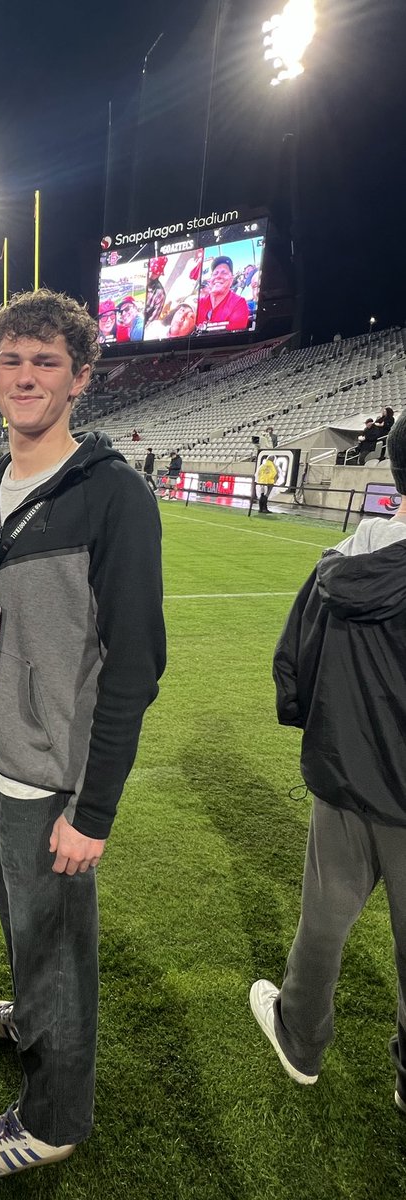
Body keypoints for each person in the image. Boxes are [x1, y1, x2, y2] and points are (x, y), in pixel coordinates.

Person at [0, 289, 165, 1177]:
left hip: (57, 781)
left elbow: (136, 665)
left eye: (47, 362)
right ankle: (31, 1014)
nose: (27, 376)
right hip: (3, 752)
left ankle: (54, 1114)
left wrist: (95, 810)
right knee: (23, 924)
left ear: (81, 378)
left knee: (59, 949)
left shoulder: (116, 495)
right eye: (13, 360)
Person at [250, 410, 406, 1113]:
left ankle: (300, 1038)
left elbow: (296, 656)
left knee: (324, 919)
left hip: (348, 772)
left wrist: (304, 713)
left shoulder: (344, 562)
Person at [196, 256, 250, 332]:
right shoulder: (199, 303)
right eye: (215, 273)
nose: (218, 276)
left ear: (231, 280)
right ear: (210, 280)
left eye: (224, 273)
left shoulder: (239, 303)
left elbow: (233, 338)